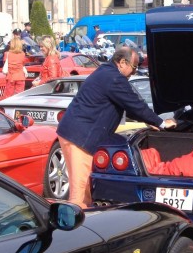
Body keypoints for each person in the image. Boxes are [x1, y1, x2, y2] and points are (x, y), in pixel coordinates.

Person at [56, 47, 177, 208]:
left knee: (82, 187)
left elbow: (125, 105)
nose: (134, 72)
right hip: (80, 136)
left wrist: (149, 121)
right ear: (122, 62)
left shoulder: (105, 72)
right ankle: (76, 224)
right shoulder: (113, 78)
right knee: (80, 190)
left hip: (73, 132)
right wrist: (161, 123)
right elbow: (134, 103)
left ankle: (84, 215)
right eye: (134, 67)